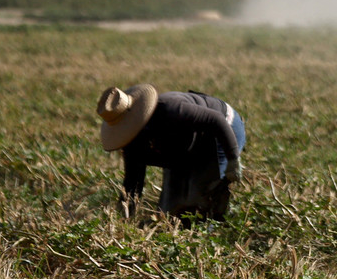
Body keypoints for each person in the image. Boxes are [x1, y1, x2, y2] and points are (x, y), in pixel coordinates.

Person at [97, 84, 246, 222]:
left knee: (199, 202)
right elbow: (133, 183)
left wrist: (232, 159)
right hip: (184, 148)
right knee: (169, 212)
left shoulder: (170, 109)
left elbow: (217, 120)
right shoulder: (132, 143)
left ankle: (217, 223)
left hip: (223, 129)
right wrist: (124, 218)